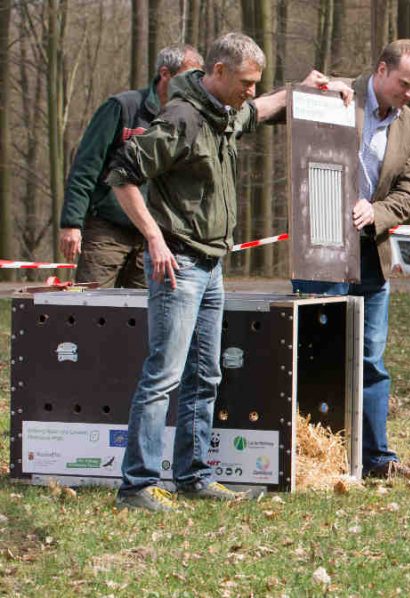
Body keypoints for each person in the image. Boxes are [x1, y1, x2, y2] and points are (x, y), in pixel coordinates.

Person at [106, 32, 353, 511]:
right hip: (178, 264)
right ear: (217, 72)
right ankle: (136, 485)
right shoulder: (182, 118)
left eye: (256, 82)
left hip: (212, 265)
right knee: (164, 376)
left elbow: (258, 112)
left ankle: (193, 475)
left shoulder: (221, 113)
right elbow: (122, 173)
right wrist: (154, 238)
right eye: (245, 82)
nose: (251, 91)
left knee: (205, 375)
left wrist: (302, 89)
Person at [292, 39, 410, 480]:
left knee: (370, 358)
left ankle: (377, 460)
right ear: (381, 70)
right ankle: (307, 458)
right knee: (313, 353)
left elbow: (408, 193)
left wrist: (377, 212)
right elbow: (282, 119)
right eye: (404, 84)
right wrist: (308, 90)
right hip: (321, 251)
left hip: (372, 253)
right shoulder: (335, 97)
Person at [59, 45, 203, 287]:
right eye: (187, 77)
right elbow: (86, 166)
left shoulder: (187, 119)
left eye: (198, 79)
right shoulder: (122, 108)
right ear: (165, 74)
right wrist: (71, 223)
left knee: (144, 315)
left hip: (155, 237)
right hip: (107, 230)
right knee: (92, 310)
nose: (193, 85)